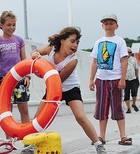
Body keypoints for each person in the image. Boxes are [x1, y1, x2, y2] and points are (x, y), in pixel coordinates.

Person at [31, 26, 107, 154]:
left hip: (70, 88)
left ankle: (98, 145)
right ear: (62, 41)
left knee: (80, 116)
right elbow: (36, 52)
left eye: (77, 42)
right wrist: (35, 55)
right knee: (38, 117)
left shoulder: (73, 61)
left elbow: (58, 80)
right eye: (72, 41)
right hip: (53, 89)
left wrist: (41, 74)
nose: (75, 45)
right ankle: (31, 146)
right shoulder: (51, 49)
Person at [0, 11, 30, 149]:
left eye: (14, 25)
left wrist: (27, 76)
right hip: (3, 79)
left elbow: (24, 60)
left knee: (24, 108)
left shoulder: (19, 40)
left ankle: (27, 139)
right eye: (8, 25)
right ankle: (8, 140)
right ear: (1, 25)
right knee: (7, 111)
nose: (11, 27)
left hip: (19, 78)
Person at [89, 14, 132, 146]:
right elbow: (95, 62)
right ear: (102, 26)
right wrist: (91, 79)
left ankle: (123, 135)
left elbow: (124, 61)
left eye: (111, 23)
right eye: (106, 23)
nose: (108, 26)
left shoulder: (120, 41)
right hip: (101, 79)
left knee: (117, 107)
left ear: (116, 26)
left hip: (115, 78)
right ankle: (101, 136)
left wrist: (122, 79)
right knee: (102, 108)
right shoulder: (98, 42)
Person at [124, 47, 140, 114]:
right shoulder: (121, 59)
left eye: (130, 52)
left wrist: (137, 77)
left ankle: (133, 104)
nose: (128, 53)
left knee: (134, 92)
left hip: (133, 79)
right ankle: (128, 108)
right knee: (126, 94)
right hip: (125, 79)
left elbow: (136, 69)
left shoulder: (133, 60)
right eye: (127, 52)